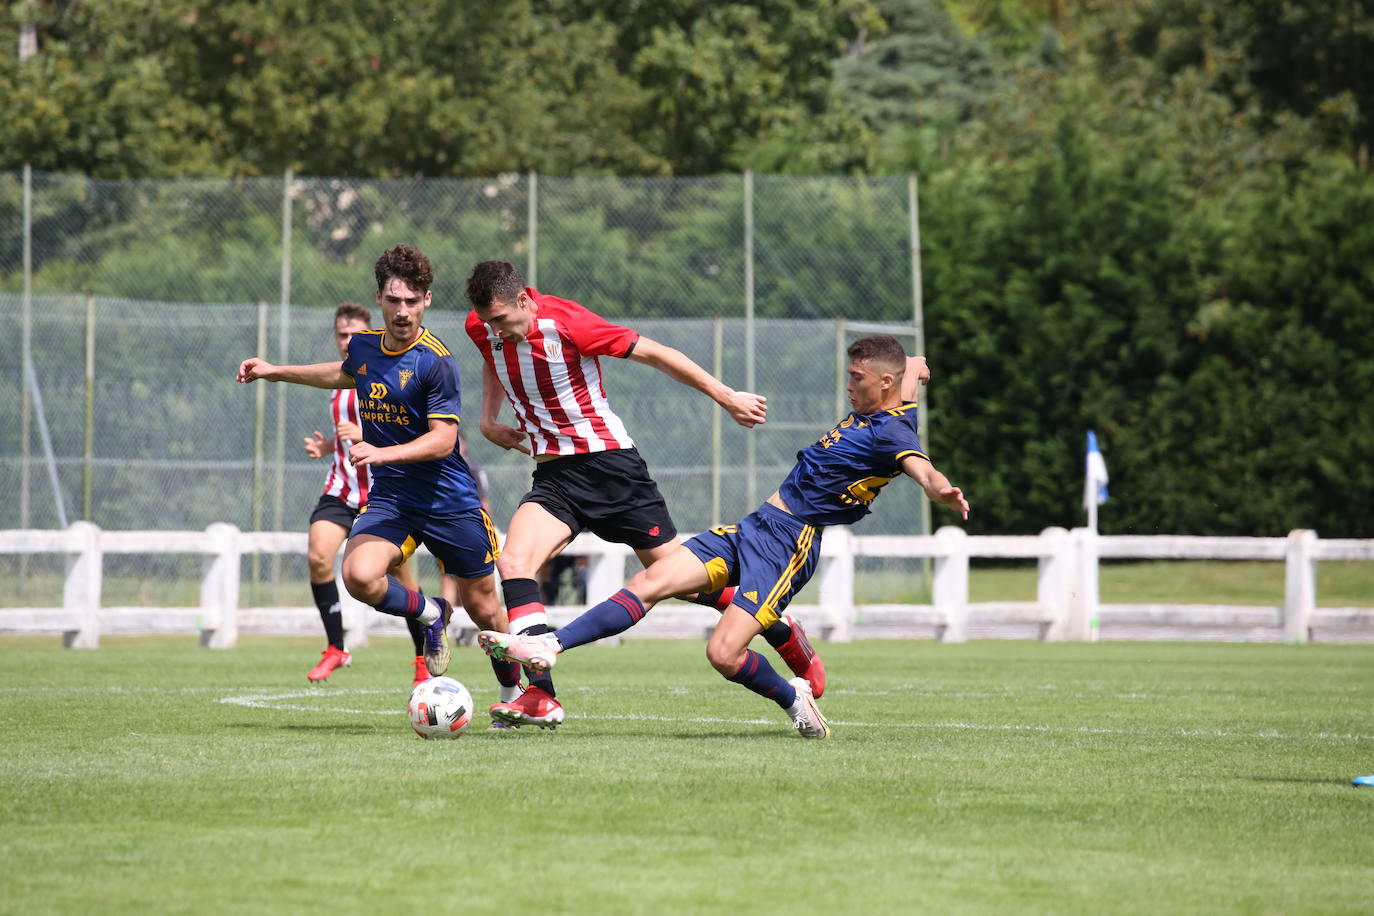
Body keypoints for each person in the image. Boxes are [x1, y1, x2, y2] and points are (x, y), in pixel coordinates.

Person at [478, 335, 969, 739]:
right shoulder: (893, 397)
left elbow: (920, 468)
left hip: (788, 548)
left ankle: (790, 695)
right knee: (653, 580)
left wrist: (941, 488)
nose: (848, 386)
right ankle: (550, 647)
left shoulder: (894, 433)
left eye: (856, 379)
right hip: (753, 527)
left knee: (722, 654)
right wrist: (917, 369)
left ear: (884, 382)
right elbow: (914, 367)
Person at [464, 260, 825, 730]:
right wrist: (489, 420)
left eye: (503, 321)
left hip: (611, 469)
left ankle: (779, 627)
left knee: (683, 579)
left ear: (525, 301)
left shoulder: (570, 325)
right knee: (513, 563)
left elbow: (657, 353)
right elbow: (495, 359)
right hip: (554, 478)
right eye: (489, 323)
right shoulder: (484, 325)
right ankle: (540, 697)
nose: (496, 331)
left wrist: (727, 396)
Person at [237, 244, 520, 708]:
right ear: (381, 299)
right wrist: (275, 372)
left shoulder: (436, 361)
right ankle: (430, 612)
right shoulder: (366, 345)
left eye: (413, 301)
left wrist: (384, 454)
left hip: (448, 500)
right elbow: (341, 373)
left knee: (486, 607)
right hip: (394, 500)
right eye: (394, 300)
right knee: (358, 574)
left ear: (427, 300)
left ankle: (512, 696)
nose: (403, 310)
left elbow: (444, 441)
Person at [301, 302, 433, 685]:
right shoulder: (340, 379)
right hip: (342, 488)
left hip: (383, 491)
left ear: (369, 333)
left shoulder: (389, 372)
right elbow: (346, 436)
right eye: (341, 334)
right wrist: (327, 447)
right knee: (317, 554)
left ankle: (422, 657)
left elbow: (411, 430)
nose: (347, 341)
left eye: (354, 334)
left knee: (401, 577)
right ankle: (336, 648)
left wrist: (363, 435)